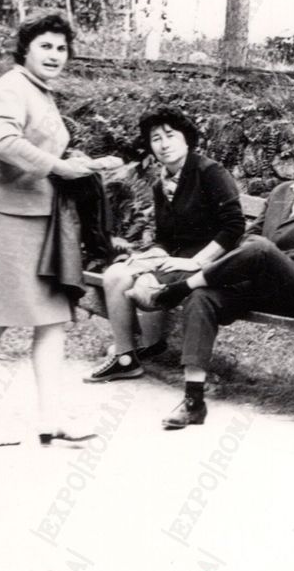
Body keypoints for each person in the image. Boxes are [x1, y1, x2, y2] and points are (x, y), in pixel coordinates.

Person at [133, 125, 294, 429]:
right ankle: (193, 401)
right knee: (203, 297)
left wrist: (268, 258)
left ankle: (176, 288)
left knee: (260, 249)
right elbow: (248, 237)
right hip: (260, 284)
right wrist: (260, 258)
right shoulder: (282, 192)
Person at [0, 12, 111, 446]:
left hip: (43, 223)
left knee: (52, 321)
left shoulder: (40, 92)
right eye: (45, 46)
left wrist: (79, 165)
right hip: (1, 221)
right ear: (25, 49)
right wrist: (59, 166)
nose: (55, 55)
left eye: (62, 48)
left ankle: (50, 419)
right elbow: (2, 142)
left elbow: (37, 148)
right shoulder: (11, 86)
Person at [84, 107, 244, 383]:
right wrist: (151, 255)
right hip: (176, 259)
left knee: (144, 288)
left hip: (214, 263)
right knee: (116, 274)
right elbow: (166, 238)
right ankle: (125, 358)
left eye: (170, 135)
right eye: (156, 138)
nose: (164, 144)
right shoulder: (162, 185)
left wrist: (196, 261)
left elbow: (234, 227)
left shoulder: (210, 172)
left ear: (186, 139)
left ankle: (152, 344)